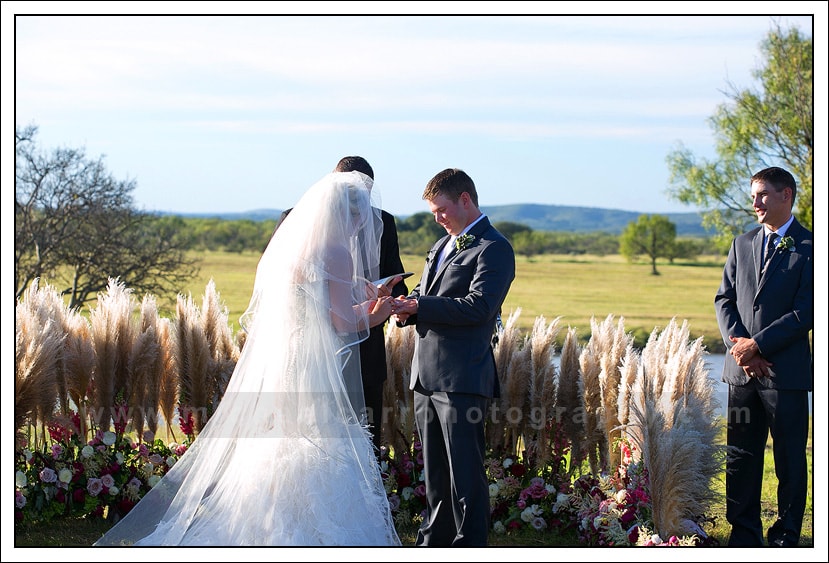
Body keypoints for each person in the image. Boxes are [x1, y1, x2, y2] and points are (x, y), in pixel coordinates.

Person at [95, 171, 401, 546]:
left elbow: (318, 307)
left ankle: (269, 523)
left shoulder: (299, 247)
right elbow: (342, 321)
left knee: (286, 437)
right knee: (318, 436)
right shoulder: (336, 250)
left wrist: (362, 302)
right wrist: (379, 311)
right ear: (349, 216)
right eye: (361, 219)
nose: (362, 228)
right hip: (314, 364)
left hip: (290, 355)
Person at [392, 168, 515, 546]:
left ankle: (470, 544)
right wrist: (401, 304)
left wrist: (419, 305)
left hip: (462, 377)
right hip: (425, 375)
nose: (437, 218)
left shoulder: (494, 248)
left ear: (465, 199)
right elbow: (425, 292)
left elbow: (478, 308)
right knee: (436, 474)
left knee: (465, 473)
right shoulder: (440, 245)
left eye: (441, 210)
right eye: (432, 213)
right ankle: (434, 541)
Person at [277, 156, 408, 453]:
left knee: (357, 444)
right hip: (319, 353)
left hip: (360, 357)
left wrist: (377, 294)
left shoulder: (384, 222)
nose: (364, 211)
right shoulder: (293, 220)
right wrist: (372, 310)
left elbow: (394, 278)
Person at [714, 166, 813, 547]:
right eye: (753, 195)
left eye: (762, 195)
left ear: (786, 195)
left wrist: (760, 346)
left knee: (789, 458)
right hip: (741, 374)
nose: (754, 202)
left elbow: (806, 311)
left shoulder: (810, 247)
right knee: (740, 454)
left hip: (784, 373)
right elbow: (724, 299)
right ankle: (744, 533)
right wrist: (741, 347)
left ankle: (787, 533)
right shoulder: (742, 243)